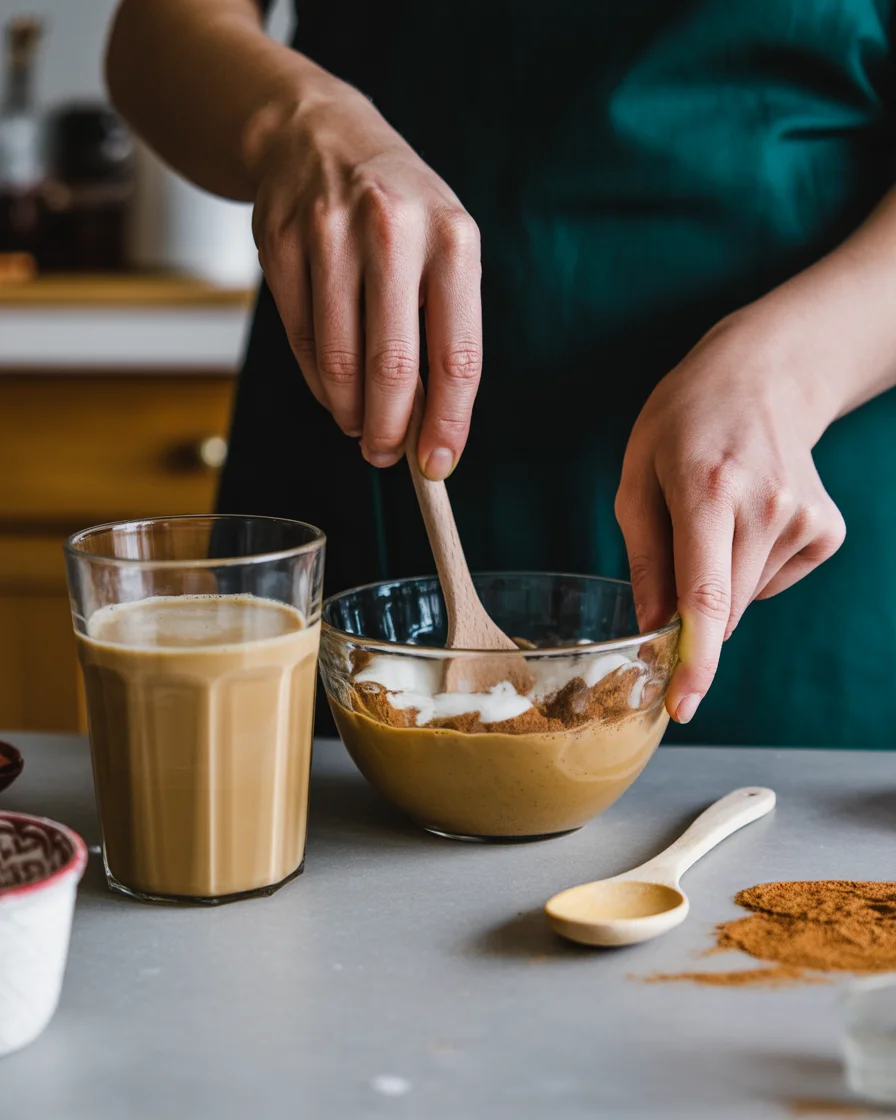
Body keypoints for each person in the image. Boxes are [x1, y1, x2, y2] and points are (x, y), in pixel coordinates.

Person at [106, 0, 896, 747]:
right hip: (361, 426)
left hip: (790, 481)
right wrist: (295, 119)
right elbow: (157, 32)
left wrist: (784, 375)